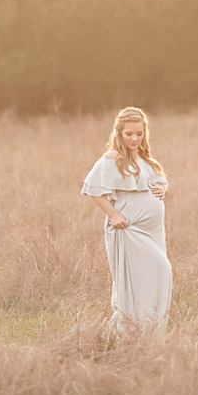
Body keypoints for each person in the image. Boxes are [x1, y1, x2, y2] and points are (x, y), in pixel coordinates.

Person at [81, 106, 172, 336]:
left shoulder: (143, 157)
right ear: (119, 132)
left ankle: (149, 332)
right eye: (129, 133)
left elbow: (159, 181)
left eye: (139, 134)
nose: (134, 138)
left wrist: (162, 190)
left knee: (152, 277)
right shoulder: (112, 158)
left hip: (152, 231)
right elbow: (93, 190)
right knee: (153, 273)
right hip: (128, 228)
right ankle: (125, 334)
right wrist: (113, 215)